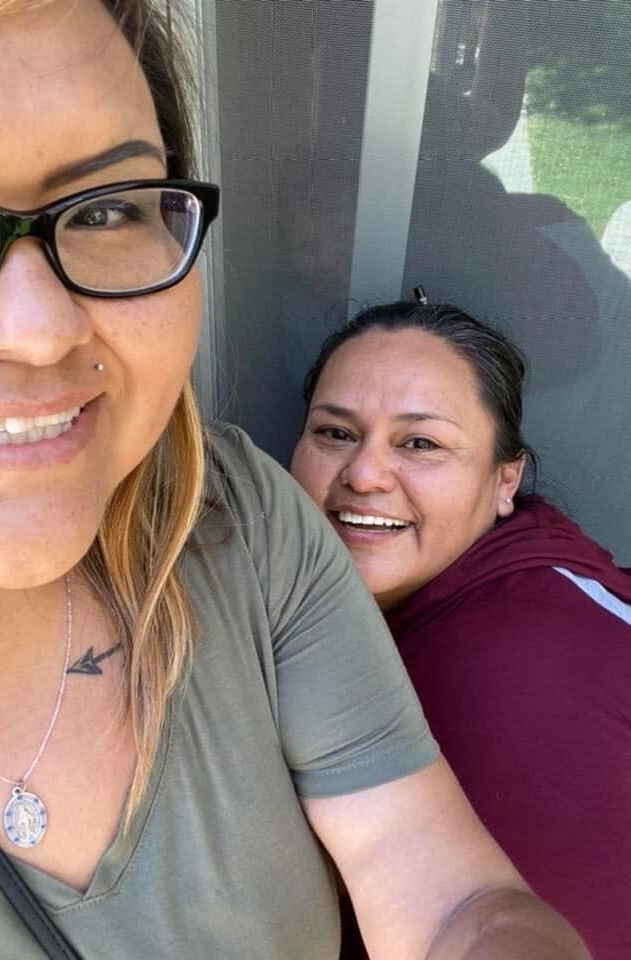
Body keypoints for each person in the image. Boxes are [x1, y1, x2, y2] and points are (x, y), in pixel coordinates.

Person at [0, 3, 592, 958]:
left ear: (508, 478)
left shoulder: (240, 514)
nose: (38, 328)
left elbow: (438, 885)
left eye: (108, 208)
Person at [291, 300, 631, 960]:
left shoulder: (507, 668)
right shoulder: (502, 578)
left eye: (420, 443)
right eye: (335, 433)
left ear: (506, 481)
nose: (364, 474)